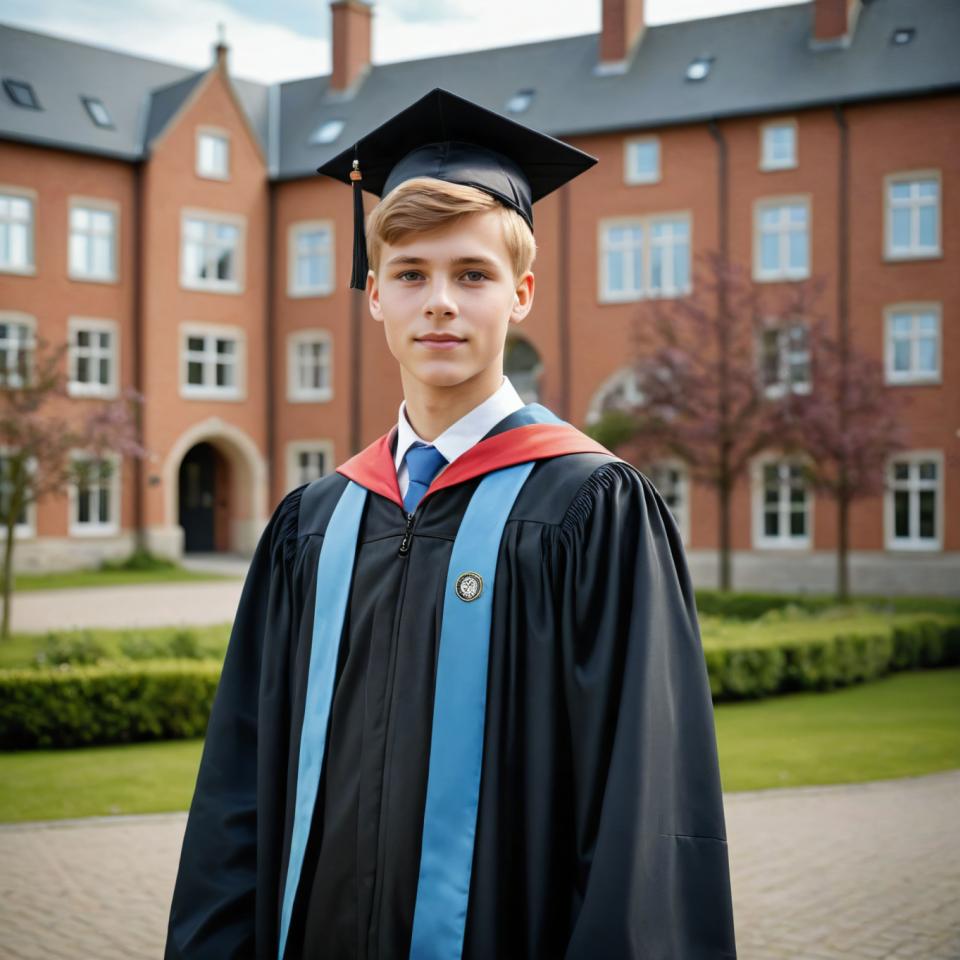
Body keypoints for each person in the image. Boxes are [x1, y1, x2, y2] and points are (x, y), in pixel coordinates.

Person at [165, 88, 737, 960]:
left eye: (472, 275)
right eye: (411, 274)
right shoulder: (314, 526)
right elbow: (236, 793)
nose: (440, 302)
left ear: (522, 294)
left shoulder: (590, 510)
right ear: (373, 297)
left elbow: (644, 818)